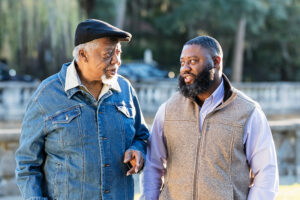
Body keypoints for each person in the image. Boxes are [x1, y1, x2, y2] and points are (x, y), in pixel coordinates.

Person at [15, 19, 149, 200]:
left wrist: (138, 149)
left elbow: (142, 136)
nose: (116, 61)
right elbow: (27, 164)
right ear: (83, 54)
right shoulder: (46, 95)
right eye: (108, 54)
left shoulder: (125, 89)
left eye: (118, 52)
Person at [141, 35, 279, 200]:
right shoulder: (167, 110)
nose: (185, 68)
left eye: (193, 61)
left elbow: (266, 172)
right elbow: (153, 166)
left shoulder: (248, 112)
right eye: (182, 62)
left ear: (216, 61)